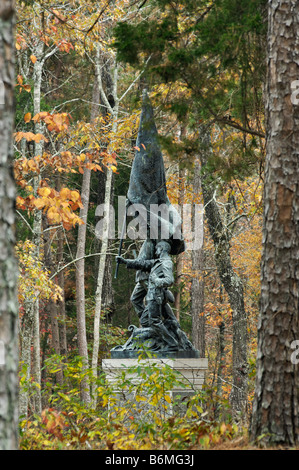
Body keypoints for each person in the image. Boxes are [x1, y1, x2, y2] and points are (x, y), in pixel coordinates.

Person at [117, 240, 178, 350]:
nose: (156, 250)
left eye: (157, 248)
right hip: (151, 295)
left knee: (155, 321)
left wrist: (156, 281)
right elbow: (142, 263)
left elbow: (170, 280)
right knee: (145, 321)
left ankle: (172, 343)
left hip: (156, 295)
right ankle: (158, 339)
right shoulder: (157, 261)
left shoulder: (166, 262)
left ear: (162, 249)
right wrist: (125, 261)